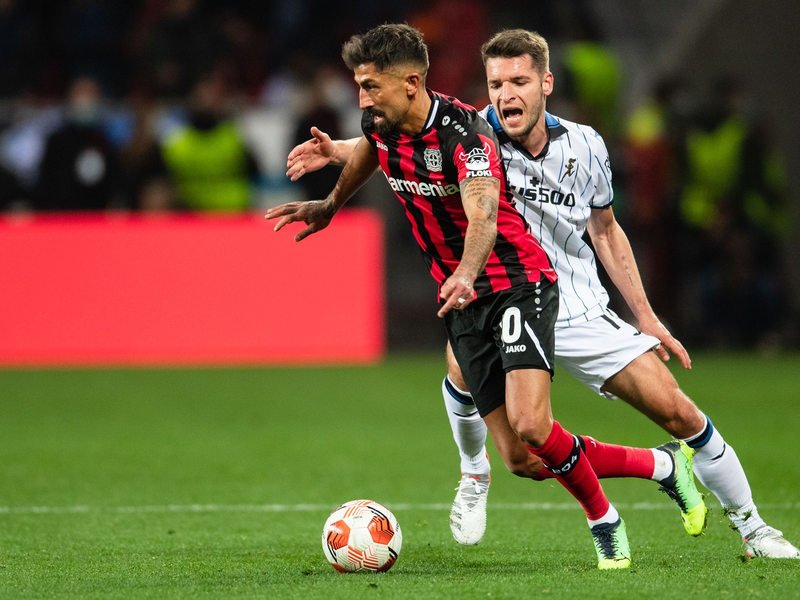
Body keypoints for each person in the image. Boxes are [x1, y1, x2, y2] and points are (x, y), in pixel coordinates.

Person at [284, 29, 799, 561]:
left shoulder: (586, 145)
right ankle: (475, 473)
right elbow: (395, 142)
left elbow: (605, 230)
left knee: (680, 414)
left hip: (573, 305)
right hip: (497, 290)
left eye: (519, 81)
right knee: (501, 422)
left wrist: (645, 315)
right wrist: (339, 155)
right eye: (496, 83)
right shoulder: (474, 130)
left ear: (546, 83)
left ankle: (754, 528)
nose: (507, 94)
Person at [268, 23, 637, 570]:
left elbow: (484, 212)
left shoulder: (466, 134)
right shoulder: (382, 121)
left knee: (532, 425)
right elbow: (374, 147)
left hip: (515, 280)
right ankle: (659, 465)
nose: (362, 99)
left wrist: (466, 271)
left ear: (412, 83)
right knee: (519, 457)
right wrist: (330, 203)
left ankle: (603, 519)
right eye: (360, 86)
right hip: (463, 298)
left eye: (372, 87)